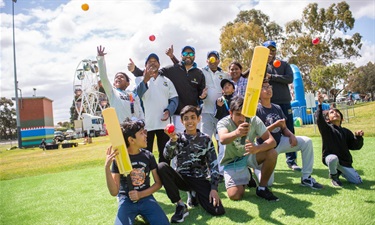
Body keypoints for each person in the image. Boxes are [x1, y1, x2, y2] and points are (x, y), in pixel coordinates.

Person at [158, 105, 225, 223]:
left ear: (198, 119)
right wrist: (172, 141)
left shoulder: (206, 139)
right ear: (182, 121)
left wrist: (214, 188)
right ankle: (180, 205)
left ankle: (194, 195)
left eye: (193, 117)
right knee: (162, 167)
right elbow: (167, 156)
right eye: (186, 118)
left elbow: (213, 165)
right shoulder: (177, 138)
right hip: (182, 178)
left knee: (217, 210)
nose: (190, 121)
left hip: (200, 179)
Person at [255, 82, 323, 189]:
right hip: (266, 148)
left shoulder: (277, 107)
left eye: (269, 87)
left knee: (307, 142)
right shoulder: (257, 110)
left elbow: (283, 127)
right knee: (268, 183)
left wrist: (291, 135)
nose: (268, 89)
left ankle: (306, 178)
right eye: (264, 88)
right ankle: (257, 170)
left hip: (280, 141)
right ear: (258, 93)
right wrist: (274, 125)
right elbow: (258, 135)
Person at [129, 45, 207, 133]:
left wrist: (203, 96)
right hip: (178, 116)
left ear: (194, 56)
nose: (188, 55)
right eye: (185, 53)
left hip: (194, 115)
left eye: (191, 53)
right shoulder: (171, 69)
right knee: (180, 143)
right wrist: (134, 70)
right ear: (181, 56)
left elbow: (201, 94)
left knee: (195, 143)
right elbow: (153, 72)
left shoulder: (199, 73)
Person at [105, 119, 169, 225]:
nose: (146, 135)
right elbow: (114, 192)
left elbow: (158, 183)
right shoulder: (119, 159)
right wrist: (107, 168)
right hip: (126, 201)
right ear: (131, 140)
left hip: (146, 198)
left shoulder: (148, 156)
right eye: (141, 133)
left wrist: (141, 194)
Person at [217, 95, 279, 201]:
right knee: (235, 196)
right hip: (232, 161)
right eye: (238, 114)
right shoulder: (223, 122)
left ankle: (262, 188)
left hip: (250, 155)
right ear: (230, 113)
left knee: (272, 152)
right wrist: (237, 133)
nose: (242, 119)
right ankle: (248, 175)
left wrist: (257, 148)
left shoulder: (254, 119)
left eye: (245, 115)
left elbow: (272, 141)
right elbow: (223, 139)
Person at [263, 40, 301, 171]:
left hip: (285, 102)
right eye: (268, 49)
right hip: (269, 104)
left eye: (273, 49)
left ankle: (291, 160)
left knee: (289, 129)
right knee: (269, 131)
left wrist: (272, 76)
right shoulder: (261, 65)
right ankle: (267, 159)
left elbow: (289, 79)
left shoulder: (284, 64)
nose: (271, 52)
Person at [135, 53, 179, 164]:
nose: (153, 63)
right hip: (146, 125)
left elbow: (174, 98)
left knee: (164, 155)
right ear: (145, 66)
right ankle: (145, 179)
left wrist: (169, 111)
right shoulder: (139, 79)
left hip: (164, 125)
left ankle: (164, 180)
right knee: (145, 154)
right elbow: (137, 95)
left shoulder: (167, 81)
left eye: (155, 61)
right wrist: (145, 80)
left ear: (159, 64)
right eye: (150, 61)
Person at [317, 92, 364, 187]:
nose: (335, 113)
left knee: (358, 181)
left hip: (344, 162)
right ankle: (334, 176)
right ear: (328, 120)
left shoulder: (346, 131)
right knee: (333, 159)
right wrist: (320, 104)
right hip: (330, 158)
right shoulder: (326, 129)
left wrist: (358, 137)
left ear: (342, 119)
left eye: (337, 112)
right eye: (332, 112)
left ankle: (340, 171)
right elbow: (319, 120)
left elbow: (355, 146)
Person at [97, 46, 144, 123]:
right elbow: (103, 77)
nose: (118, 78)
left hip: (135, 129)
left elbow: (140, 111)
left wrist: (142, 122)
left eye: (122, 77)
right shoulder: (112, 92)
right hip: (120, 129)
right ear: (114, 83)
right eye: (116, 77)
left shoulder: (133, 95)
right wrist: (100, 58)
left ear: (127, 83)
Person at [214, 78, 236, 173]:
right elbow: (218, 116)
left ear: (234, 89)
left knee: (235, 150)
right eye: (224, 86)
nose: (226, 86)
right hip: (222, 128)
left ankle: (235, 168)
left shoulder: (237, 100)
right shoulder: (219, 100)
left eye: (229, 85)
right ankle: (221, 171)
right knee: (222, 150)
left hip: (234, 128)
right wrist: (219, 106)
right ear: (222, 90)